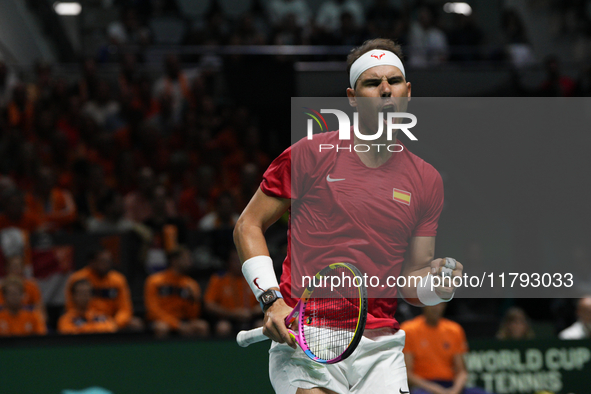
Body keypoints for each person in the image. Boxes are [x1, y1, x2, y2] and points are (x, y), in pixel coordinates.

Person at [234, 38, 464, 393]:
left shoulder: (426, 180)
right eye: (372, 83)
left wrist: (437, 289)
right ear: (353, 98)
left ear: (408, 92)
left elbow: (411, 281)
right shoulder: (310, 155)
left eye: (394, 81)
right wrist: (271, 301)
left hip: (380, 349)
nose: (386, 90)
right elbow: (247, 225)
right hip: (305, 339)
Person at [402, 304, 492, 394]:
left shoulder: (454, 329)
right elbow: (408, 374)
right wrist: (434, 389)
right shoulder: (409, 329)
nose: (435, 308)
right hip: (423, 387)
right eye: (431, 304)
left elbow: (462, 372)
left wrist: (455, 391)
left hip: (450, 385)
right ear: (423, 305)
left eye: (439, 304)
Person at [65, 248, 143, 331]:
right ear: (92, 262)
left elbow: (125, 309)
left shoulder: (118, 279)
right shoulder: (78, 278)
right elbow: (71, 307)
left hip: (112, 320)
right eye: (102, 261)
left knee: (136, 323)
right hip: (87, 318)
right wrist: (91, 321)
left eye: (108, 261)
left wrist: (115, 323)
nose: (106, 264)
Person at [144, 246, 209, 338]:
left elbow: (193, 315)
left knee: (202, 326)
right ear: (174, 260)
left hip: (183, 320)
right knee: (162, 328)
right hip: (160, 320)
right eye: (186, 258)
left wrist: (192, 300)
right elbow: (152, 310)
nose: (189, 262)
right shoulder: (154, 280)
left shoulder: (191, 284)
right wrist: (177, 325)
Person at [204, 249, 262, 337]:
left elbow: (266, 300)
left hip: (251, 317)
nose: (238, 263)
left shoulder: (255, 279)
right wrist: (231, 313)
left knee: (262, 325)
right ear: (229, 262)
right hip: (227, 318)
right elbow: (209, 304)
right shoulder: (219, 279)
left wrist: (252, 311)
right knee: (223, 327)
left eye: (241, 260)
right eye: (235, 260)